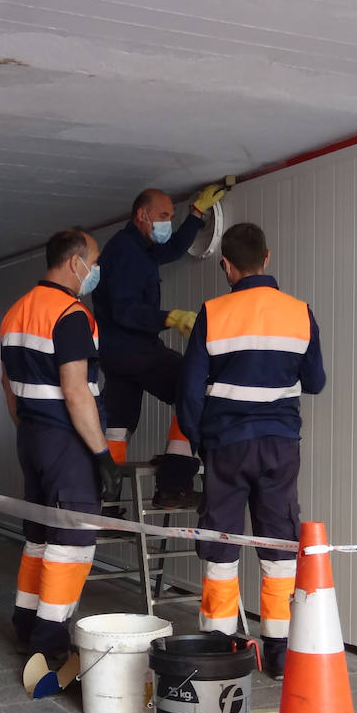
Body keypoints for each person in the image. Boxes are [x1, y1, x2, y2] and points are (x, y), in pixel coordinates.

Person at [176, 222, 326, 679]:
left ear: (226, 265)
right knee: (279, 548)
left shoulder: (213, 312)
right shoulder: (300, 313)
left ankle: (221, 649)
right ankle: (279, 655)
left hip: (226, 446)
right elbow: (316, 382)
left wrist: (201, 440)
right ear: (268, 256)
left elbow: (190, 390)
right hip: (280, 446)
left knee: (221, 542)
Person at [0, 228, 122, 667]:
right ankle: (49, 640)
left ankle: (25, 624)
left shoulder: (16, 312)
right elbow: (76, 391)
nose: (96, 270)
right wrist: (102, 454)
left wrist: (31, 427)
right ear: (76, 263)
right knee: (70, 542)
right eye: (95, 260)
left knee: (38, 536)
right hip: (68, 441)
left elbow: (8, 388)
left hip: (31, 437)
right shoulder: (71, 314)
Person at [92, 183, 226, 508]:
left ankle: (103, 510)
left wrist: (195, 214)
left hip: (115, 355)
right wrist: (171, 318)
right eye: (163, 215)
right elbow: (124, 310)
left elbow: (171, 251)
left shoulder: (138, 247)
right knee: (193, 384)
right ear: (142, 214)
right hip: (133, 349)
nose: (168, 220)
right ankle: (174, 483)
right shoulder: (125, 252)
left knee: (118, 423)